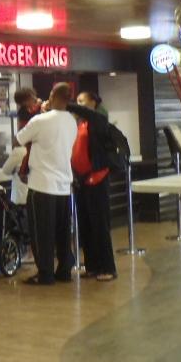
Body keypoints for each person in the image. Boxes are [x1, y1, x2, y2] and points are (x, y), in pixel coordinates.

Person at [15, 83, 77, 285]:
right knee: (62, 231)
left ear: (53, 96)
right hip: (64, 185)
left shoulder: (40, 120)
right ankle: (65, 270)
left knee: (41, 232)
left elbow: (19, 139)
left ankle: (45, 273)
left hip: (41, 184)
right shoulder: (72, 121)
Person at [70, 91, 120, 282]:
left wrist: (66, 104)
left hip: (97, 178)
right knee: (86, 224)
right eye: (77, 101)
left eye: (82, 101)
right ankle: (92, 266)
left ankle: (108, 267)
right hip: (81, 180)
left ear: (93, 102)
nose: (79, 104)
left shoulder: (99, 119)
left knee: (99, 224)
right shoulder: (81, 123)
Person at [0, 87, 42, 206]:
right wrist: (39, 105)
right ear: (24, 101)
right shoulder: (24, 112)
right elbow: (34, 119)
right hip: (24, 198)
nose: (34, 99)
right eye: (31, 97)